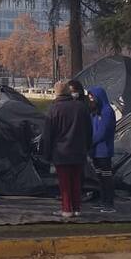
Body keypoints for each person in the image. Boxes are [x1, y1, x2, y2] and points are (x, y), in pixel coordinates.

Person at [42, 80, 93, 219]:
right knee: (76, 180)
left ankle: (66, 209)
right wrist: (88, 147)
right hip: (79, 151)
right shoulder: (81, 107)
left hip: (61, 152)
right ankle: (77, 208)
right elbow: (89, 130)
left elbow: (48, 134)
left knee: (64, 182)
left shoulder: (54, 109)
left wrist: (46, 154)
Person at [87, 86, 116, 213]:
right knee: (99, 177)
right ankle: (102, 200)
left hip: (104, 151)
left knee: (106, 177)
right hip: (95, 151)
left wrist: (90, 142)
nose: (91, 100)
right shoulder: (94, 112)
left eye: (92, 97)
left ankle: (109, 203)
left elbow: (103, 132)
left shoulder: (107, 111)